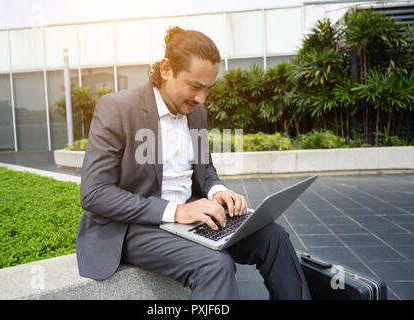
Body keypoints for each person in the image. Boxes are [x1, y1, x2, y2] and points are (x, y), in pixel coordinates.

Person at [76, 26, 311, 300]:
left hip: (192, 217)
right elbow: (94, 194)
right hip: (135, 227)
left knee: (274, 237)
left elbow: (205, 169)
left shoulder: (196, 112)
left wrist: (217, 191)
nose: (202, 99)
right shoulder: (116, 109)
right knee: (216, 266)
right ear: (166, 69)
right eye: (195, 86)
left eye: (208, 89)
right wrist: (176, 211)